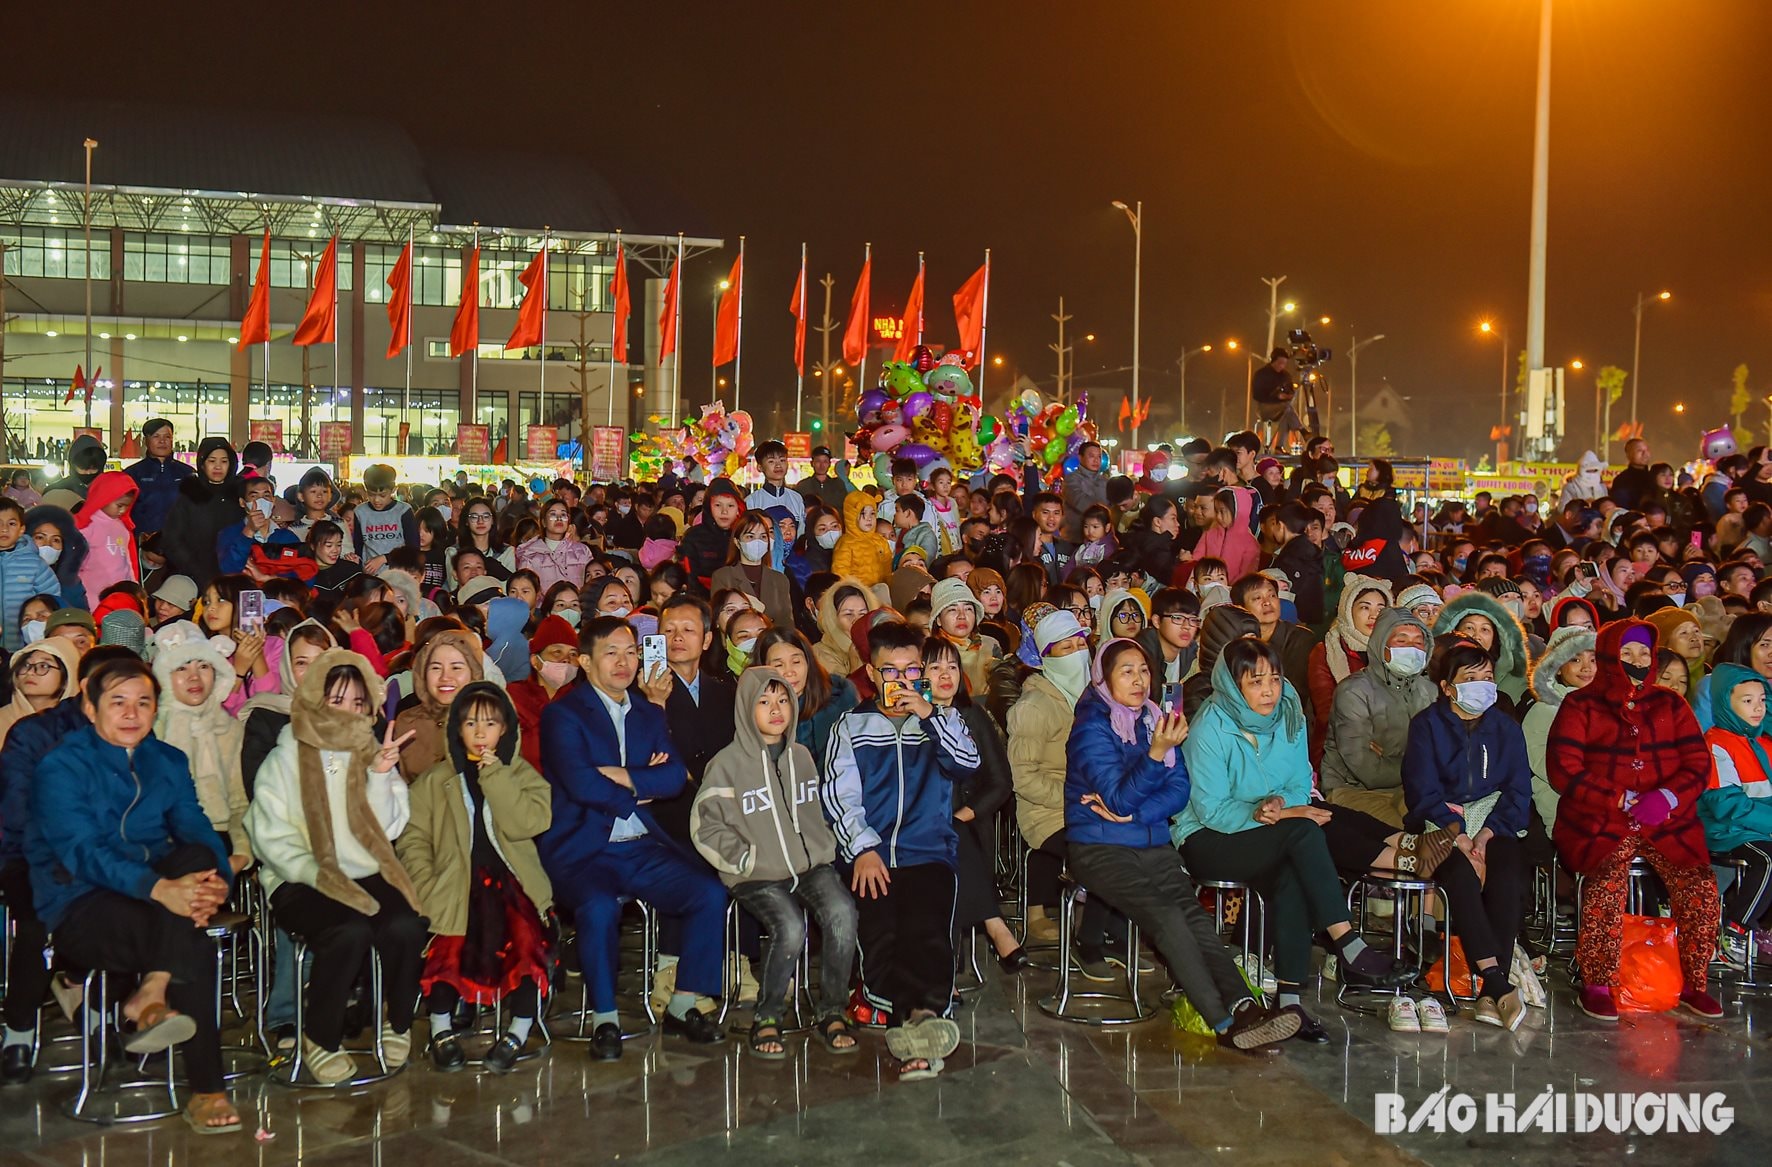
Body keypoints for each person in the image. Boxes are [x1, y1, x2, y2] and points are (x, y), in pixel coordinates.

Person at [29, 655, 240, 1132]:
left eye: (143, 702)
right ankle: (207, 1089)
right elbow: (81, 852)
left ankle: (152, 989)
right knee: (192, 940)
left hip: (155, 890)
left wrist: (218, 878)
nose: (131, 713)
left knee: (196, 859)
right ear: (89, 706)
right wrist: (160, 888)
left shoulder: (166, 760)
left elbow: (195, 826)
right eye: (117, 701)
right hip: (80, 898)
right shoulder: (60, 767)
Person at [1064, 636, 1302, 1051]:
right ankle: (1224, 1023)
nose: (1139, 680)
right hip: (1099, 848)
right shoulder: (1091, 728)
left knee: (1194, 917)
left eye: (1144, 671)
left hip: (1152, 842)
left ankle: (1247, 1006)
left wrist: (1133, 812)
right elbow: (1118, 794)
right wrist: (1155, 754)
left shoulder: (1156, 718)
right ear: (1103, 678)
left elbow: (1178, 793)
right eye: (1127, 671)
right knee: (1167, 917)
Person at [1175, 636, 1409, 1039]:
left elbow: (1303, 782)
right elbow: (1210, 809)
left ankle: (1290, 1004)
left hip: (1272, 830)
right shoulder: (1210, 726)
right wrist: (1265, 812)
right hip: (1209, 837)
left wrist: (1284, 805)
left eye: (1275, 679)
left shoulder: (1288, 714)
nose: (1268, 690)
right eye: (1255, 682)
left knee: (1294, 867)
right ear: (1233, 685)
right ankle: (1347, 941)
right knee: (1303, 833)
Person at [537, 616, 727, 1061]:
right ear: (585, 661)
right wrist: (639, 789)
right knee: (600, 907)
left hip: (641, 845)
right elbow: (581, 785)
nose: (624, 662)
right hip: (585, 849)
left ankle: (683, 1002)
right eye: (611, 653)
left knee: (708, 891)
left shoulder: (645, 710)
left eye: (631, 651)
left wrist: (625, 777)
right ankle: (605, 1018)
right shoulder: (562, 714)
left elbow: (673, 777)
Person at [822, 620, 977, 1079]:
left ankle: (919, 1019)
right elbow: (839, 795)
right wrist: (863, 849)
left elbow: (967, 764)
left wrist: (929, 716)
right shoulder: (851, 726)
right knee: (883, 937)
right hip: (871, 855)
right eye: (890, 671)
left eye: (912, 670)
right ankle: (914, 1022)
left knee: (926, 931)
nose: (901, 681)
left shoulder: (942, 720)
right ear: (871, 673)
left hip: (927, 850)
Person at [1546, 619, 1722, 1021]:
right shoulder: (1581, 704)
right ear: (1609, 655)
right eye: (1627, 654)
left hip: (1666, 820)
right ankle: (1597, 981)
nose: (1637, 662)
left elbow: (1698, 762)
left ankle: (1695, 981)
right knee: (1607, 880)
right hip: (1599, 818)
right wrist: (1618, 797)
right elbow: (1564, 769)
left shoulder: (1670, 704)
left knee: (1699, 884)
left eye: (1645, 654)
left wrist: (1668, 796)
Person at [690, 667, 861, 1059]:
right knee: (789, 926)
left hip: (808, 866)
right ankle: (768, 1016)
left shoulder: (801, 757)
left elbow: (817, 810)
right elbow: (704, 825)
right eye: (764, 702)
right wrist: (744, 859)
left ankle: (832, 1010)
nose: (776, 709)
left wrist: (824, 846)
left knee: (842, 913)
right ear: (746, 708)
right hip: (757, 874)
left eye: (783, 700)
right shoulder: (727, 764)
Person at [401, 682, 554, 1074]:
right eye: (471, 723)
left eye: (490, 723)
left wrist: (497, 777)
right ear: (457, 730)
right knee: (449, 946)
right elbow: (413, 838)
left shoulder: (523, 775)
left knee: (523, 943)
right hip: (454, 883)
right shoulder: (435, 781)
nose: (481, 732)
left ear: (506, 729)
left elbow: (528, 823)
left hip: (513, 882)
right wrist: (425, 881)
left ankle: (518, 1031)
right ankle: (440, 1030)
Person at [1401, 637, 1534, 1030]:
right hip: (1441, 824)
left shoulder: (1505, 728)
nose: (1482, 685)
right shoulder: (1426, 725)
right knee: (1458, 874)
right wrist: (1458, 835)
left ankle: (1489, 992)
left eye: (1488, 676)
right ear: (1447, 686)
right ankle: (1496, 983)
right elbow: (1421, 791)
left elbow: (1518, 790)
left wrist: (1489, 834)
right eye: (1471, 677)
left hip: (1493, 823)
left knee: (1508, 873)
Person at [1319, 606, 1437, 827]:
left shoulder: (1430, 691)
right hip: (1353, 789)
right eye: (1401, 641)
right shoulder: (1354, 691)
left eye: (1419, 642)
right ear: (1381, 645)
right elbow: (1367, 768)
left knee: (1440, 830)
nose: (1412, 648)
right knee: (1405, 835)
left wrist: (1394, 758)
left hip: (1410, 788)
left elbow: (1443, 752)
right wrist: (1423, 764)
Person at [151, 622, 251, 870]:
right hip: (161, 839)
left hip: (219, 835)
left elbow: (240, 804)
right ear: (165, 677)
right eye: (181, 668)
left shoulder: (230, 729)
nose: (194, 677)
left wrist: (242, 853)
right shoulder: (150, 729)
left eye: (204, 666)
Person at [1698, 664, 1772, 961]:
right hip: (1727, 831)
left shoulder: (1765, 742)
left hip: (1760, 828)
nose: (1757, 708)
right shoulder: (1716, 744)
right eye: (1747, 700)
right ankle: (1735, 928)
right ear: (1725, 703)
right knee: (1768, 860)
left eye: (1762, 700)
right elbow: (1727, 805)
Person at [1521, 625, 1596, 832]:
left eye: (1593, 659)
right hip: (1568, 815)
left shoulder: (1607, 707)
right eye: (1575, 659)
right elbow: (1553, 771)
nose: (1586, 667)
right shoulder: (1544, 711)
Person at [1306, 574, 1390, 754]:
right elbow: (1326, 711)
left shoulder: (1395, 649)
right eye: (1364, 607)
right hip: (1337, 747)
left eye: (1381, 608)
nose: (1374, 615)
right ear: (1347, 610)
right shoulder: (1327, 651)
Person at [394, 628, 485, 781]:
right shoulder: (407, 721)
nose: (445, 677)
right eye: (435, 668)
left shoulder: (492, 721)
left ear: (473, 673)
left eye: (456, 668)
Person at [161, 437, 242, 590]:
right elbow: (172, 539)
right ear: (202, 464)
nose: (218, 466)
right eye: (212, 461)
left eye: (224, 461)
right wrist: (195, 569)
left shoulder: (240, 496)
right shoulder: (190, 496)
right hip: (194, 577)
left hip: (234, 575)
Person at [508, 614, 580, 769]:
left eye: (573, 654)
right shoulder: (513, 696)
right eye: (557, 652)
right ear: (535, 661)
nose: (566, 659)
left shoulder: (584, 701)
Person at [711, 511, 794, 629]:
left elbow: (787, 623)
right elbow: (720, 620)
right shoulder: (723, 576)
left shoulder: (780, 579)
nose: (757, 542)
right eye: (750, 536)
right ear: (737, 542)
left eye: (763, 537)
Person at [0, 497, 62, 653]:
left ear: (21, 530)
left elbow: (52, 600)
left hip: (24, 647)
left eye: (11, 524)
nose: (4, 529)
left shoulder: (35, 564)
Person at [75, 470, 140, 600]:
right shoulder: (86, 526)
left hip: (120, 593)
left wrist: (133, 585)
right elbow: (75, 564)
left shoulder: (122, 527)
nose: (123, 510)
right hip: (91, 593)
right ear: (103, 497)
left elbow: (128, 561)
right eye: (119, 505)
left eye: (127, 506)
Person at [516, 497, 592, 593]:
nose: (559, 519)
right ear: (543, 522)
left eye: (563, 515)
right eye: (553, 514)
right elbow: (525, 590)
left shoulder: (583, 551)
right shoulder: (530, 554)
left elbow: (592, 584)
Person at [831, 490, 892, 588]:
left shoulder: (881, 541)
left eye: (872, 513)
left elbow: (887, 571)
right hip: (857, 596)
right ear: (851, 515)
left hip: (880, 595)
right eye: (863, 513)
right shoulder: (846, 543)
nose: (869, 518)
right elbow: (841, 574)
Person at [1250, 348, 1302, 451]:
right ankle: (1301, 430)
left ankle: (1279, 446)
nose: (1282, 366)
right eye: (1280, 363)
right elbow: (1257, 395)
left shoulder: (1285, 375)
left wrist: (1289, 395)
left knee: (1286, 412)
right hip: (1265, 407)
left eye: (1284, 363)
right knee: (1287, 409)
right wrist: (1276, 396)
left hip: (1283, 407)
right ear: (1273, 360)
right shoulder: (1261, 374)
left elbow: (1290, 390)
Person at [796, 445, 847, 512]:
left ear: (829, 464)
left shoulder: (838, 485)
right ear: (812, 463)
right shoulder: (803, 486)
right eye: (818, 461)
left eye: (825, 461)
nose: (821, 465)